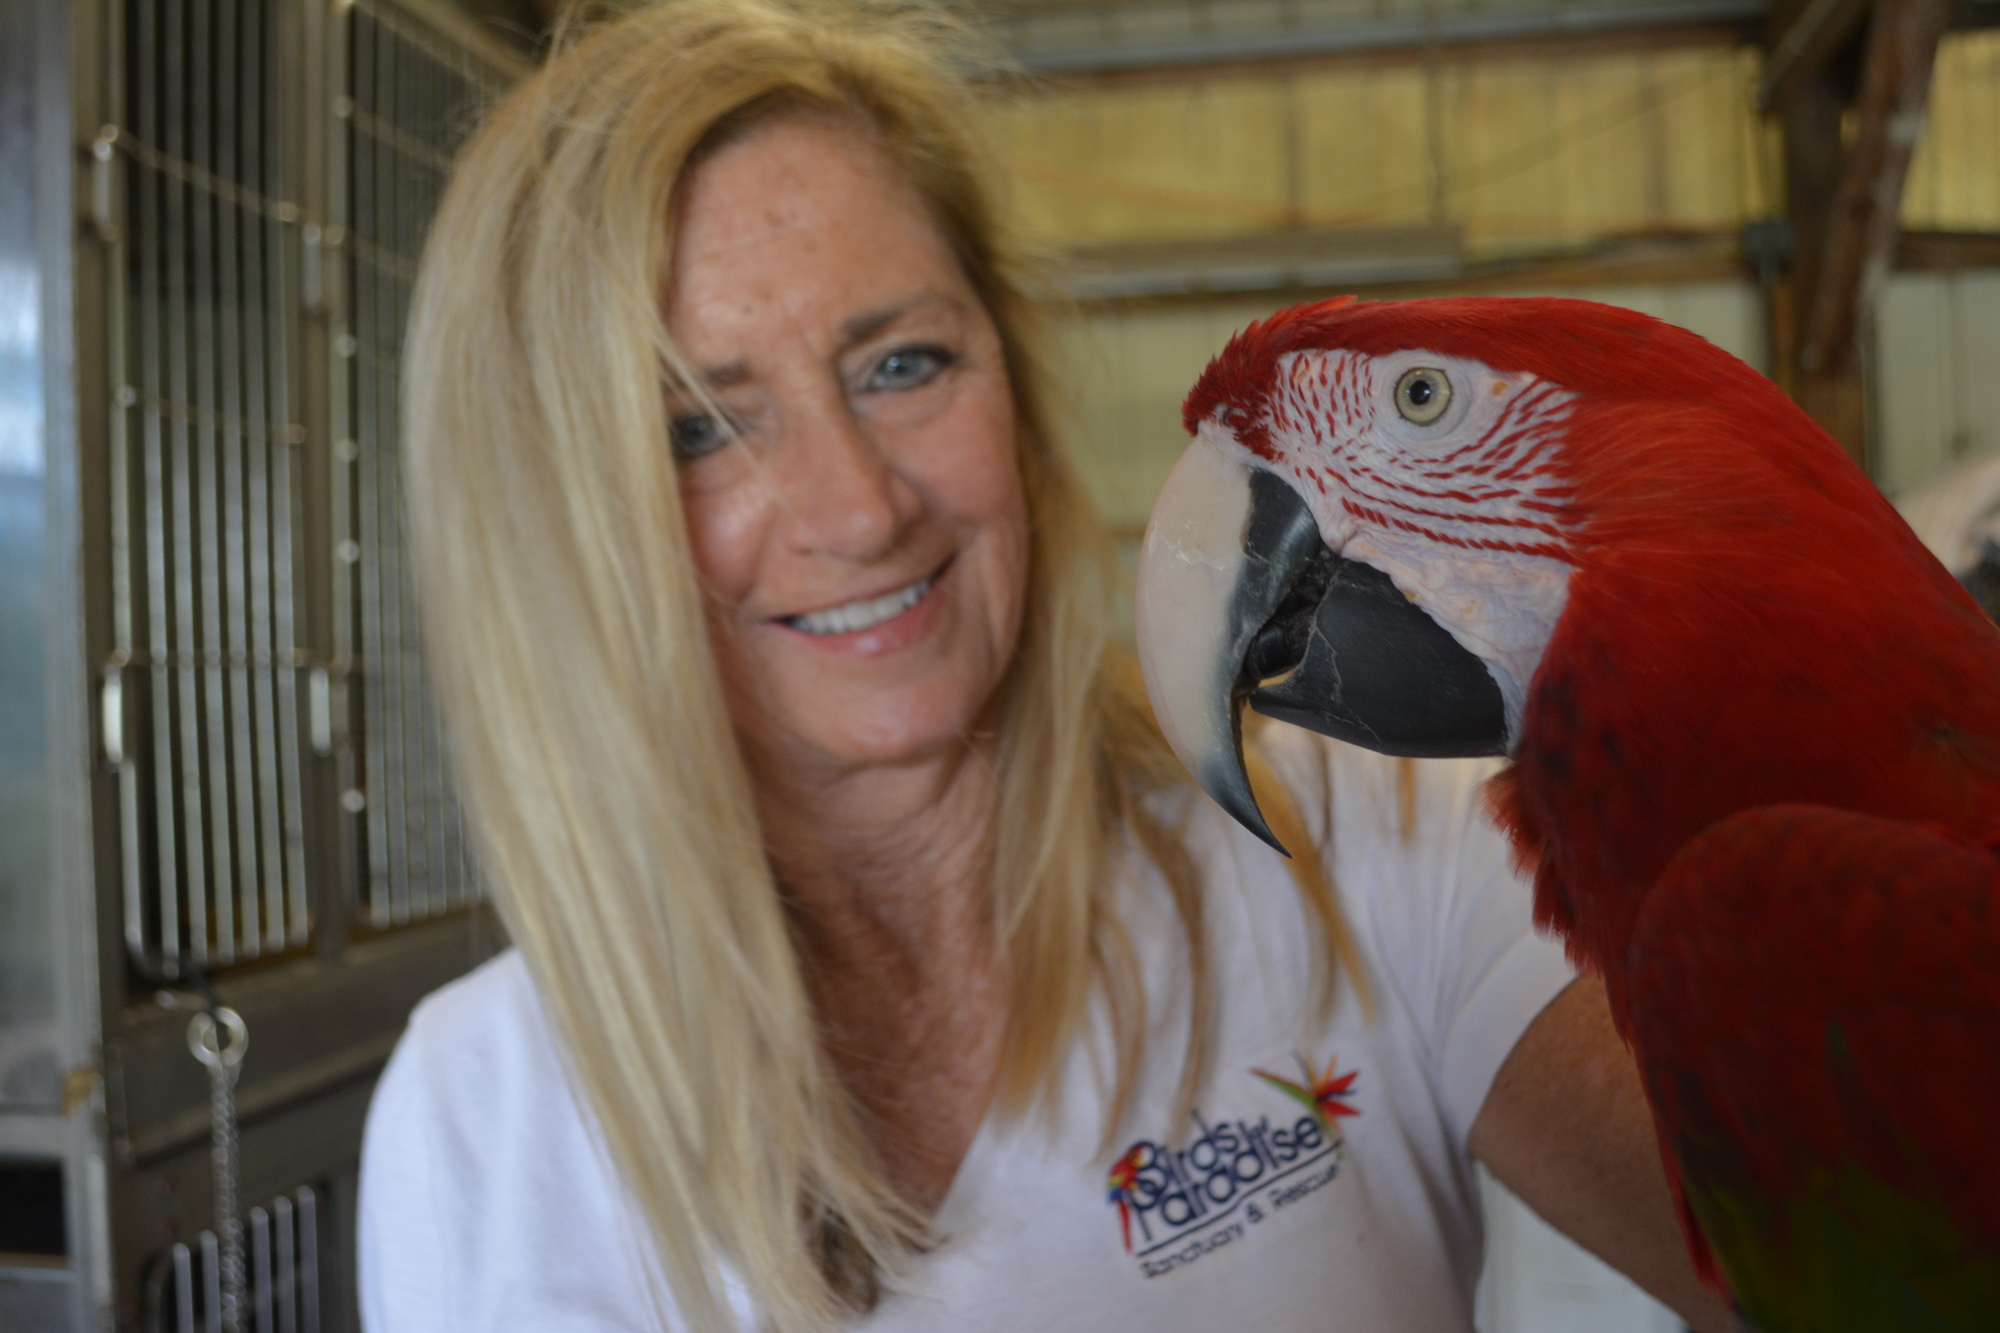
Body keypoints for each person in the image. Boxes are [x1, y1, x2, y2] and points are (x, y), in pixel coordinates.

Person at [358, 2, 1735, 1330]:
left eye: (904, 362)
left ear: (1013, 379)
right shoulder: (476, 1119)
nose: (859, 509)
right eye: (699, 429)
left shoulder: (1362, 832)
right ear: (544, 522)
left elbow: (1866, 1263)